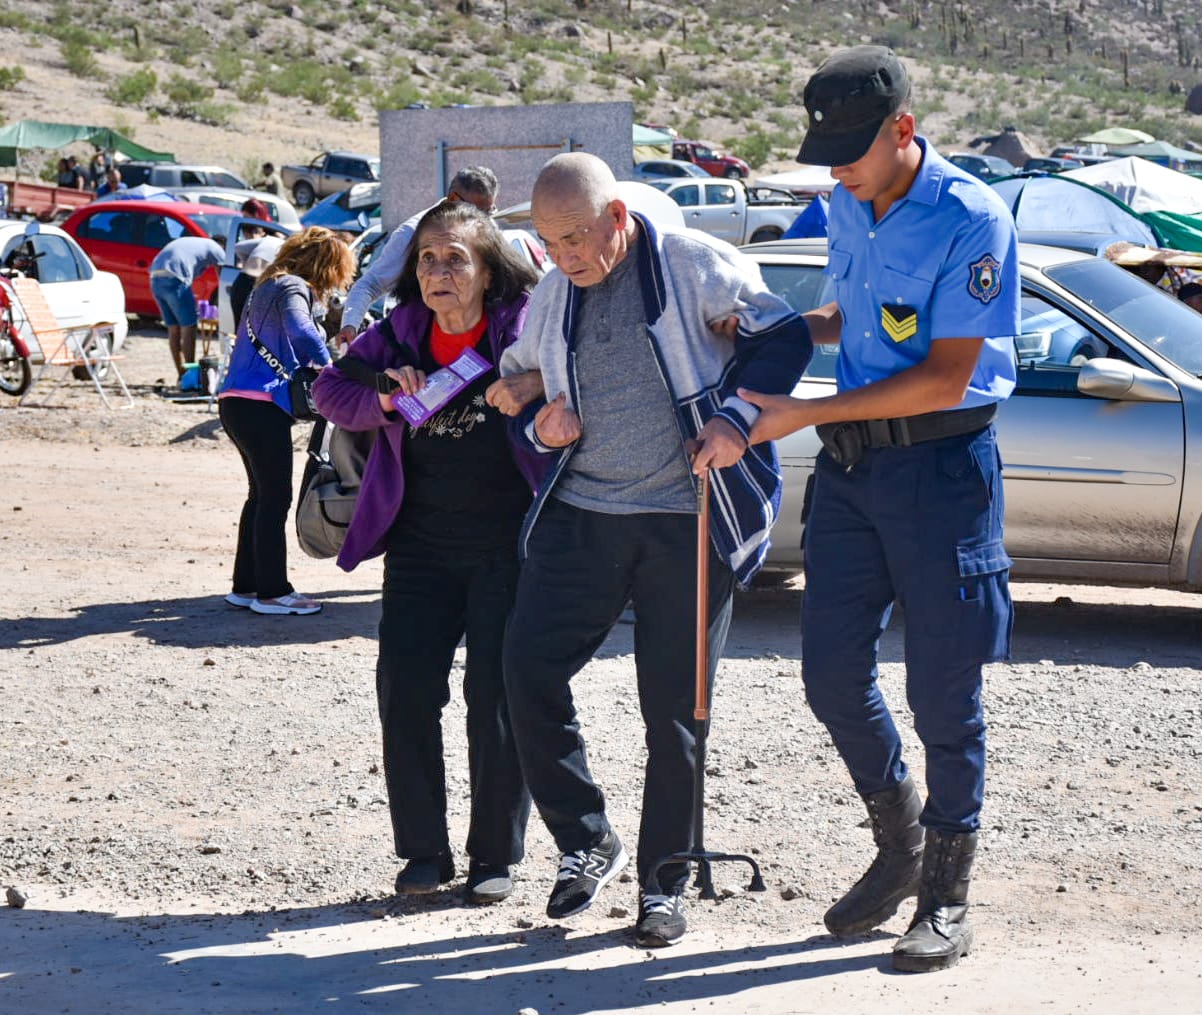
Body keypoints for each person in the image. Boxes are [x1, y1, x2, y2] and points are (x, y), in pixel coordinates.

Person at [736, 47, 1019, 974]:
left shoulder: (971, 217)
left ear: (905, 128)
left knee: (945, 691)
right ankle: (898, 844)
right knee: (828, 676)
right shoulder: (845, 203)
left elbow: (943, 374)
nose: (836, 167)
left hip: (942, 474)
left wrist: (806, 411)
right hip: (856, 480)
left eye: (852, 147)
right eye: (825, 149)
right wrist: (771, 325)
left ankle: (945, 891)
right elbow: (856, 322)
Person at [490, 152, 810, 947]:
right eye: (548, 242)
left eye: (575, 238)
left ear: (617, 220)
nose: (563, 258)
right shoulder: (557, 289)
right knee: (525, 670)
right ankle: (584, 839)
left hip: (684, 515)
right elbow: (519, 383)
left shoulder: (691, 262)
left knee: (674, 713)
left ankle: (663, 884)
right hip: (584, 511)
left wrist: (736, 418)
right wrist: (538, 423)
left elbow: (787, 335)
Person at [314, 203, 547, 899]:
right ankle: (424, 853)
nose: (439, 273)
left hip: (508, 544)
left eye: (455, 259)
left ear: (486, 268)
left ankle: (495, 856)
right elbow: (330, 391)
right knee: (407, 690)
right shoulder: (399, 333)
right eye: (426, 260)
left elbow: (576, 378)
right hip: (419, 546)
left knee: (495, 696)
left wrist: (532, 383)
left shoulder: (522, 324)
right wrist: (385, 398)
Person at [218, 227, 353, 616]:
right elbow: (301, 329)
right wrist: (330, 367)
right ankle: (273, 592)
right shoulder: (294, 287)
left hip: (235, 402)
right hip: (262, 405)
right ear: (326, 265)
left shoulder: (266, 285)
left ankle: (245, 586)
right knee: (275, 497)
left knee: (260, 496)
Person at [334, 167, 501, 349]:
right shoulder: (412, 234)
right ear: (453, 199)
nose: (482, 220)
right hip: (423, 346)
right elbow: (370, 284)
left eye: (488, 212)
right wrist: (350, 325)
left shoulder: (486, 230)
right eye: (476, 211)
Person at [149, 235, 228, 375]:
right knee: (189, 326)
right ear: (223, 245)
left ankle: (182, 374)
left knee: (173, 329)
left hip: (155, 278)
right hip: (175, 277)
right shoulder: (216, 248)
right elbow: (223, 279)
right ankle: (191, 374)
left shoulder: (197, 244)